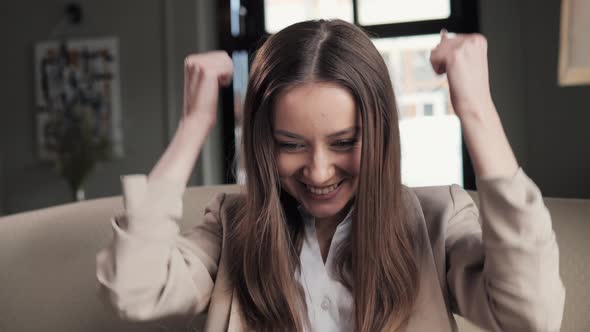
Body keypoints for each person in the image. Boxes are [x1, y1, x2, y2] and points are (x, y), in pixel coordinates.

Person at [96, 19, 565, 332]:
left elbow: (530, 313)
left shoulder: (438, 220)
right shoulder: (231, 225)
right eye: (290, 144)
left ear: (380, 135)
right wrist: (192, 126)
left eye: (344, 142)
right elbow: (135, 291)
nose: (319, 171)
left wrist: (477, 110)